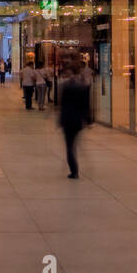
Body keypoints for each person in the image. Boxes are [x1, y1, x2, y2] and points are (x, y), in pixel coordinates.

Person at [58, 50, 93, 178]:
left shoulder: (65, 87)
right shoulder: (83, 87)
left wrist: (60, 120)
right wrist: (88, 120)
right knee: (74, 144)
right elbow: (86, 105)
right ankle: (75, 168)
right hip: (78, 121)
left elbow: (62, 105)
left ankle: (74, 171)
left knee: (69, 146)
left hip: (67, 121)